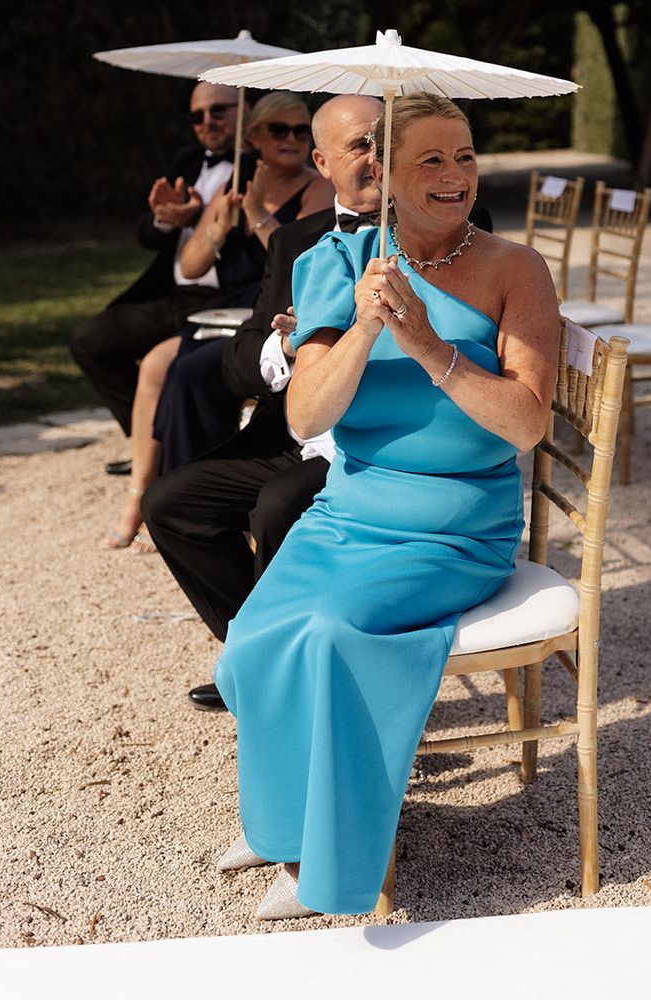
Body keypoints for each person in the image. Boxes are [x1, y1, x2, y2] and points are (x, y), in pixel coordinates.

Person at [211, 93, 559, 919]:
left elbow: (528, 424)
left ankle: (325, 864)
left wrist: (431, 348)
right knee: (254, 636)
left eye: (465, 157)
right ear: (385, 177)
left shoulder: (517, 269)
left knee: (331, 633)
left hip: (457, 523)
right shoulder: (335, 264)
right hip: (354, 507)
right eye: (429, 161)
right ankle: (280, 820)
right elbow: (304, 417)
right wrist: (367, 325)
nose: (454, 177)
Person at [141, 93, 385, 662]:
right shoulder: (295, 241)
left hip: (376, 441)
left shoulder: (433, 230)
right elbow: (239, 357)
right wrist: (288, 343)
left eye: (385, 142)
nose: (376, 157)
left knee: (278, 506)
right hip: (295, 434)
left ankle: (293, 669)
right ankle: (262, 656)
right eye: (359, 145)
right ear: (323, 164)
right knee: (171, 503)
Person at [99, 94, 333, 551]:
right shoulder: (233, 185)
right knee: (157, 365)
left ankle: (197, 500)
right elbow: (189, 265)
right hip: (223, 311)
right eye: (279, 130)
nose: (291, 140)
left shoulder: (318, 189)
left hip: (272, 312)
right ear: (254, 138)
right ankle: (151, 496)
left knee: (190, 372)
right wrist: (216, 226)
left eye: (300, 131)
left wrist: (259, 217)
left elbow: (302, 264)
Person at [70, 82, 250, 455]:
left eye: (218, 110)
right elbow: (147, 234)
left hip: (226, 295)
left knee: (179, 368)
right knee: (91, 341)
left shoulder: (258, 165)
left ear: (245, 109)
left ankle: (172, 445)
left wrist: (200, 216)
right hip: (173, 295)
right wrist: (166, 219)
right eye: (197, 115)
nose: (207, 121)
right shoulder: (186, 161)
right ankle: (148, 443)